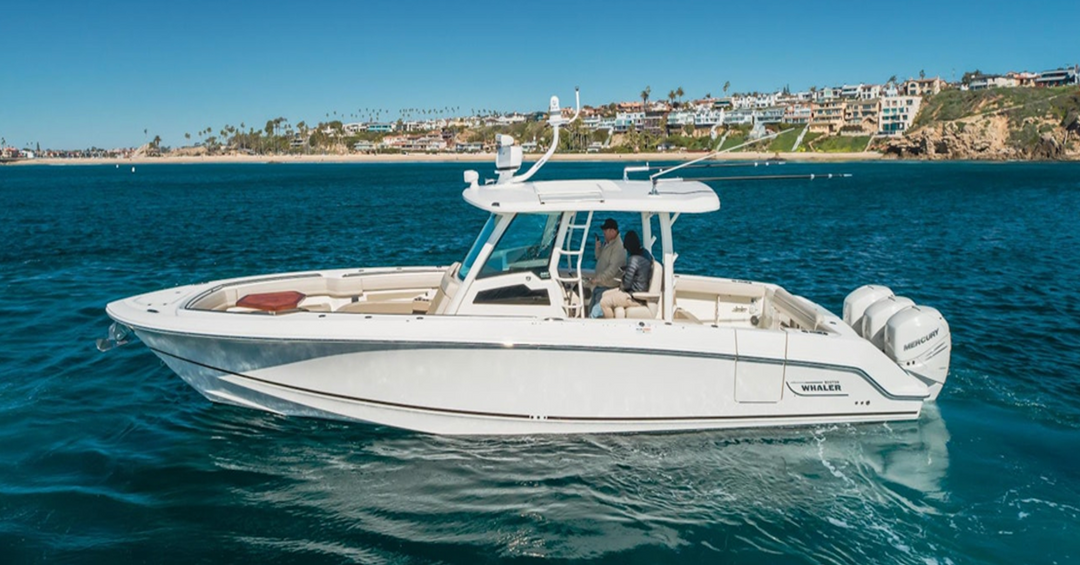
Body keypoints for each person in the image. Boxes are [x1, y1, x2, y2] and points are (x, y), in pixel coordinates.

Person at [600, 230, 653, 319]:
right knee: (604, 294)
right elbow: (638, 271)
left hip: (634, 297)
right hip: (639, 291)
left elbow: (626, 285)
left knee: (604, 302)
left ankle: (610, 324)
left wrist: (623, 275)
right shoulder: (645, 253)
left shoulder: (633, 259)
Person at [587, 218, 625, 317]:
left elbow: (612, 270)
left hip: (608, 287)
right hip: (601, 285)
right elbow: (598, 257)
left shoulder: (618, 248)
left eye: (605, 231)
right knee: (590, 311)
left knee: (594, 314)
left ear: (612, 231)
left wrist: (597, 279)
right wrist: (598, 247)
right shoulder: (608, 243)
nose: (603, 233)